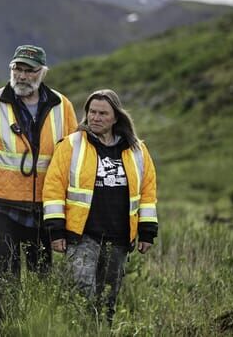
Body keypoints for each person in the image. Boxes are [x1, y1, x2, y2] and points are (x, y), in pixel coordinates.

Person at [0, 45, 77, 277]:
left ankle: (34, 313)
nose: (21, 76)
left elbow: (73, 158)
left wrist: (70, 207)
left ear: (42, 72)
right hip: (3, 205)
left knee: (41, 275)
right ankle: (4, 313)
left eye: (29, 70)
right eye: (17, 68)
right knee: (6, 275)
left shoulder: (63, 106)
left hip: (45, 207)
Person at [42, 89, 158, 323]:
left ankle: (102, 330)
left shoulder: (137, 150)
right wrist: (56, 231)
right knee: (81, 294)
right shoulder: (71, 145)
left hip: (119, 237)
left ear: (116, 117)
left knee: (108, 299)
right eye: (92, 112)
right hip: (82, 235)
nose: (95, 117)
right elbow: (53, 188)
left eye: (103, 113)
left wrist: (147, 232)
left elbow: (147, 193)